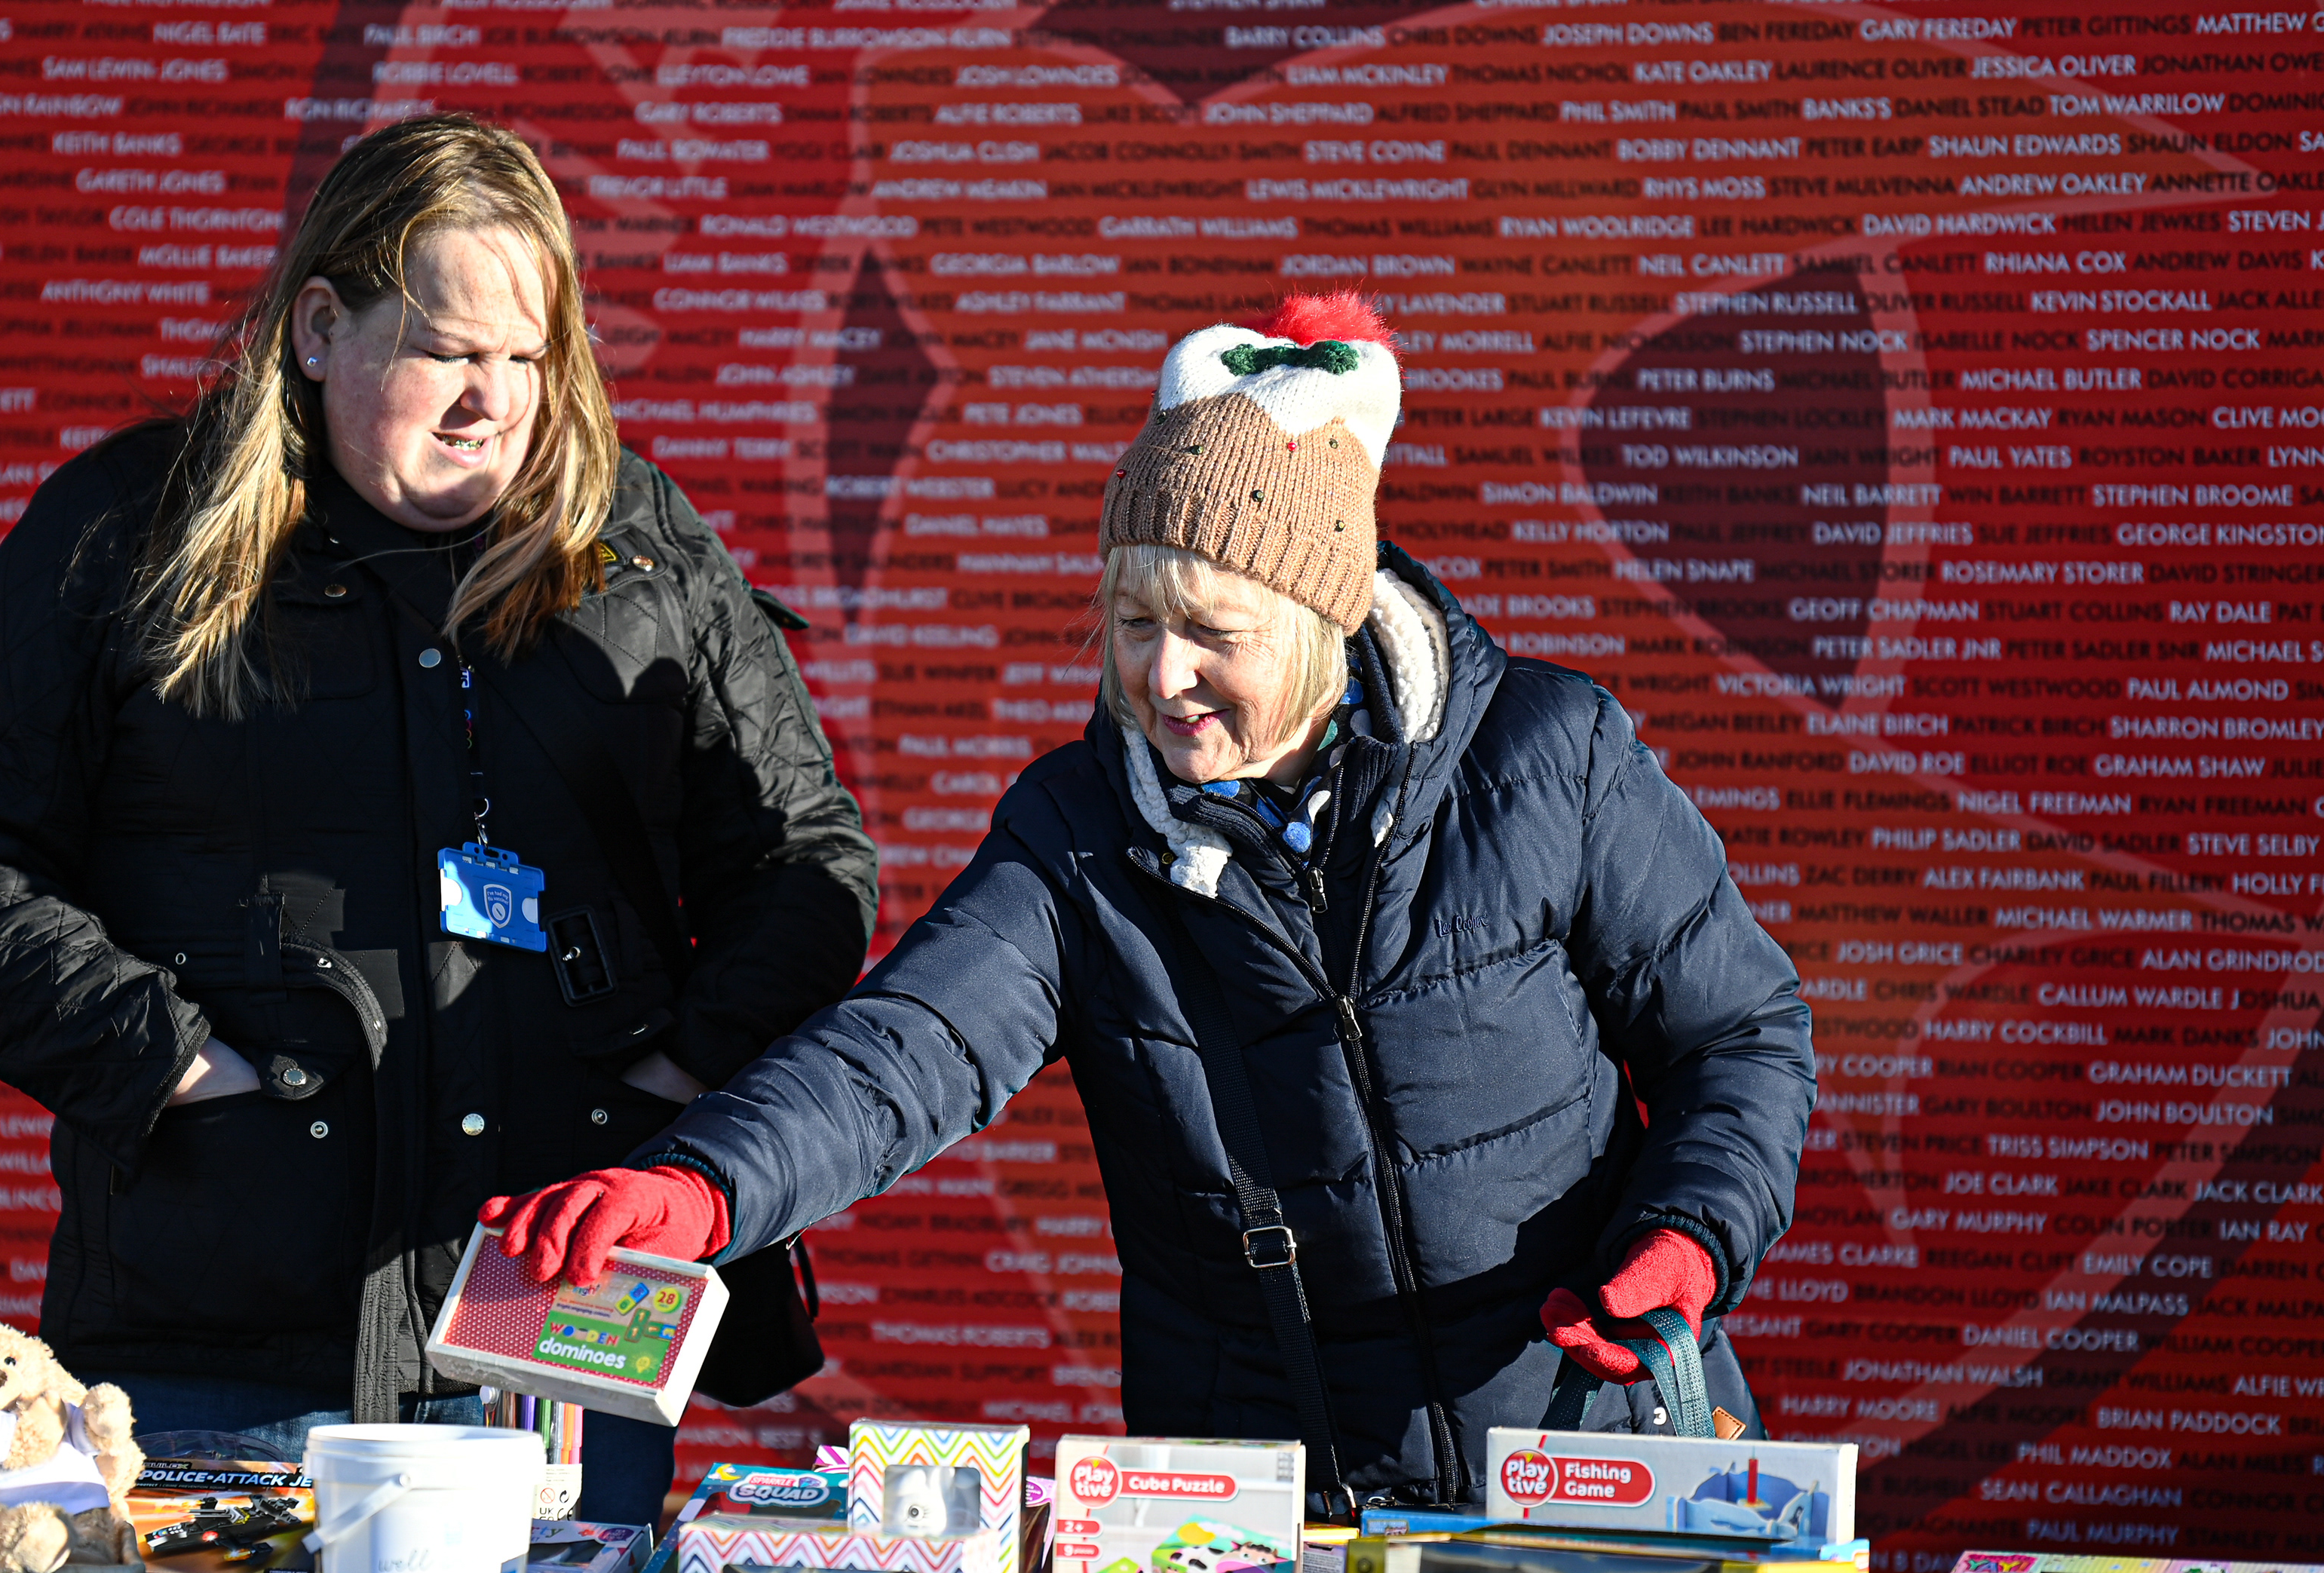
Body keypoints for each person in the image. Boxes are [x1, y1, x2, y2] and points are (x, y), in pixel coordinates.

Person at [487, 291, 1814, 1507]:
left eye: (1213, 635)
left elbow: (1740, 1037)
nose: (1162, 676)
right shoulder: (1080, 834)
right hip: (1265, 1512)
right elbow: (906, 1051)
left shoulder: (1549, 759)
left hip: (1589, 1458)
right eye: (1133, 624)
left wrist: (1685, 1238)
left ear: (1320, 620)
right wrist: (699, 1187)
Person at [0, 116, 876, 1515]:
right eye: (448, 351)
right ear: (319, 328)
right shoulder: (133, 531)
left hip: (560, 1333)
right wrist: (171, 1063)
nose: (494, 402)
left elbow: (806, 861)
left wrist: (669, 1082)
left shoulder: (639, 540)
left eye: (530, 356)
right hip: (218, 1335)